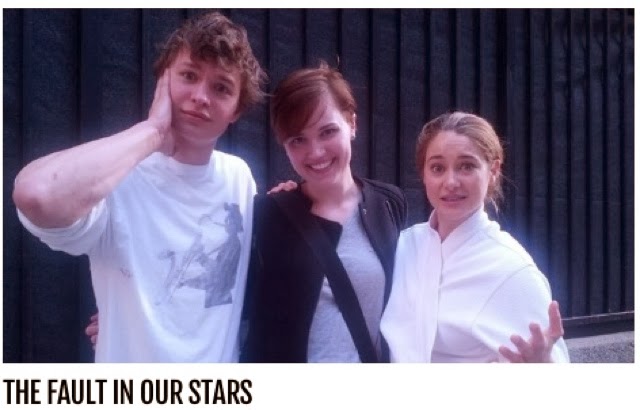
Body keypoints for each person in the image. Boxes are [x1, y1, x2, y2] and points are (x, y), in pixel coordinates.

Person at [12, 11, 267, 362]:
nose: (200, 96)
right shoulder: (117, 176)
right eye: (189, 75)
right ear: (164, 79)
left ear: (236, 110)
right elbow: (36, 194)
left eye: (221, 87)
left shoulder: (239, 178)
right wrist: (152, 132)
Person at [240, 63, 409, 362]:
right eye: (298, 140)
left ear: (352, 124)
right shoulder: (268, 215)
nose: (315, 152)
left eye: (328, 131)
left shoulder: (388, 204)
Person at [380, 111, 570, 363]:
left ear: (493, 170)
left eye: (467, 166)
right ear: (423, 174)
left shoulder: (512, 269)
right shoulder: (404, 246)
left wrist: (544, 365)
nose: (450, 182)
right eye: (437, 168)